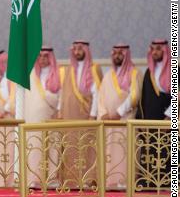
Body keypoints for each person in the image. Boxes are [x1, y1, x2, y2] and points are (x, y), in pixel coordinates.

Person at [58, 41, 102, 189]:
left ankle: (88, 180)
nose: (77, 51)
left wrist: (93, 114)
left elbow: (97, 94)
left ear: (86, 50)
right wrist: (59, 110)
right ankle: (71, 180)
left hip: (86, 115)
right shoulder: (68, 70)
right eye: (75, 49)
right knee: (70, 146)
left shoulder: (94, 69)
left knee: (87, 147)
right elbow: (62, 93)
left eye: (80, 49)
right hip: (69, 115)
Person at [97, 44, 142, 189]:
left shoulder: (135, 73)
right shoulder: (108, 75)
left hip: (124, 121)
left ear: (126, 55)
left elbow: (135, 96)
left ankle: (125, 182)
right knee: (110, 151)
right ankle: (110, 182)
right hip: (108, 123)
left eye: (120, 53)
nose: (117, 56)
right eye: (115, 53)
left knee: (124, 151)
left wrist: (119, 112)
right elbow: (101, 96)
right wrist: (103, 113)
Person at [135, 39, 172, 188]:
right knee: (150, 154)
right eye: (153, 49)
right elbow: (143, 97)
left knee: (166, 152)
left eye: (158, 49)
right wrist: (141, 120)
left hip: (166, 122)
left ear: (165, 50)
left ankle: (167, 183)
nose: (155, 52)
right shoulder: (148, 72)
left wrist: (169, 117)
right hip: (149, 123)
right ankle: (149, 183)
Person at [24, 47, 61, 189]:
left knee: (52, 147)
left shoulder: (57, 74)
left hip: (51, 117)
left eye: (46, 56)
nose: (43, 59)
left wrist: (55, 106)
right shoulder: (32, 74)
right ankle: (33, 179)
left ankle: (51, 179)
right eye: (40, 56)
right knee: (35, 146)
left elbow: (60, 97)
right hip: (34, 117)